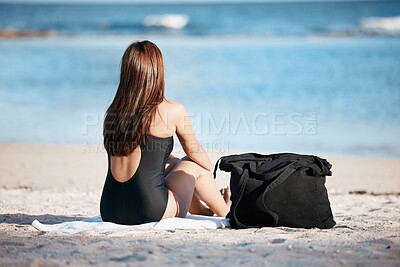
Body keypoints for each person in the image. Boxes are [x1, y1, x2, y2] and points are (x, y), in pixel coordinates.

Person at [100, 40, 230, 225]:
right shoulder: (172, 110)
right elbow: (195, 152)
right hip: (149, 210)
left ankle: (203, 211)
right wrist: (208, 173)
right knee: (193, 164)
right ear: (157, 72)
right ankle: (225, 209)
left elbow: (145, 156)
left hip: (110, 209)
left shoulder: (113, 112)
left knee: (174, 163)